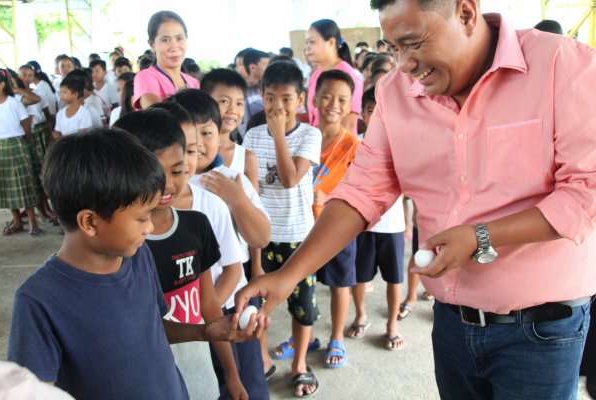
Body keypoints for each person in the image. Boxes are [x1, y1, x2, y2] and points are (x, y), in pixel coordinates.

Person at [237, 1, 596, 399]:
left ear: (465, 12)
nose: (405, 63)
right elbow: (361, 193)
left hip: (541, 330)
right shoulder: (396, 94)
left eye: (413, 42)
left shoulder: (562, 66)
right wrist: (287, 277)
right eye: (393, 47)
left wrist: (480, 236)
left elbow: (587, 191)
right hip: (452, 324)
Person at [7, 127, 264, 399]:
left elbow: (152, 328)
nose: (150, 227)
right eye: (142, 218)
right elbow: (33, 390)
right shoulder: (38, 301)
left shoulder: (138, 256)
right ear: (90, 222)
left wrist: (204, 331)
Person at [115, 109, 249, 400]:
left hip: (199, 375)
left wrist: (232, 373)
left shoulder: (196, 225)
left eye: (176, 171)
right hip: (148, 384)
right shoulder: (122, 245)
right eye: (152, 173)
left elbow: (209, 305)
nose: (167, 184)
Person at [242, 60, 322, 398]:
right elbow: (252, 197)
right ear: (261, 97)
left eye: (287, 99)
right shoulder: (251, 136)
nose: (279, 107)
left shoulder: (309, 134)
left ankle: (300, 364)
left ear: (301, 99)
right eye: (271, 98)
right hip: (263, 237)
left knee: (303, 308)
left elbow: (290, 180)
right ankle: (261, 360)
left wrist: (277, 136)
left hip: (300, 239)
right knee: (258, 306)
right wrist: (256, 257)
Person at [346, 86, 407, 350]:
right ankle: (360, 315)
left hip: (393, 225)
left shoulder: (403, 142)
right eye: (371, 111)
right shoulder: (353, 143)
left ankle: (392, 325)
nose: (376, 116)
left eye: (382, 111)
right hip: (362, 223)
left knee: (395, 279)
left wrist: (410, 221)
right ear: (363, 113)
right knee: (359, 277)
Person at [310, 70, 360, 367]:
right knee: (302, 286)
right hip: (303, 227)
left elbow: (358, 191)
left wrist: (328, 200)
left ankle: (337, 338)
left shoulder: (352, 145)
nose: (333, 104)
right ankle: (305, 334)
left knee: (340, 284)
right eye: (327, 96)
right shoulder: (303, 137)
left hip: (338, 229)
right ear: (314, 98)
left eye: (342, 99)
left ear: (349, 104)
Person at [0, 68, 41, 236]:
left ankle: (32, 222)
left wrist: (25, 141)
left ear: (1, 85)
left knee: (24, 185)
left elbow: (26, 125)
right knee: (6, 186)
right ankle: (16, 220)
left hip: (16, 144)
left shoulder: (14, 103)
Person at [305, 19, 363, 135]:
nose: (307, 48)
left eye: (312, 42)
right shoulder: (316, 73)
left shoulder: (348, 75)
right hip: (316, 146)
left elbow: (347, 125)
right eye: (306, 43)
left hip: (338, 149)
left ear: (331, 42)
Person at [134, 11, 200, 109]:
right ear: (152, 45)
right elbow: (158, 118)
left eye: (179, 38)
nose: (174, 46)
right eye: (165, 40)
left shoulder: (194, 83)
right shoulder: (145, 77)